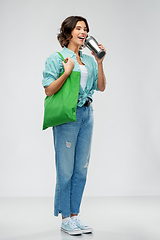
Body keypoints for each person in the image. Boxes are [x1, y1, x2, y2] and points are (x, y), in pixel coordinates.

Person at [42, 16, 106, 236]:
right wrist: (67, 71)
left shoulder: (88, 60)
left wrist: (99, 61)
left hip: (87, 114)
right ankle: (65, 218)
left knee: (81, 169)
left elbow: (101, 87)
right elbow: (49, 90)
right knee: (66, 169)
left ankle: (75, 216)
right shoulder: (57, 58)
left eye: (86, 29)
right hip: (67, 117)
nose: (83, 32)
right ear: (68, 32)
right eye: (79, 28)